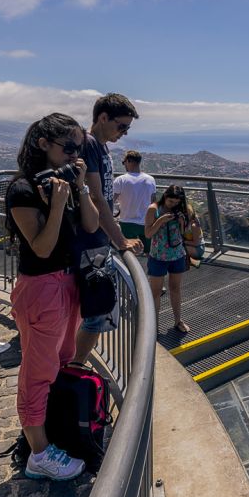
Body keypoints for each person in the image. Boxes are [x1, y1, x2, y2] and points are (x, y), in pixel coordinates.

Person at [4, 113, 99, 480]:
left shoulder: (66, 182)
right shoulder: (24, 189)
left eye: (80, 148)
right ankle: (38, 453)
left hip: (69, 283)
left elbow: (90, 226)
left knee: (61, 361)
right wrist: (57, 205)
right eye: (69, 147)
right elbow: (42, 248)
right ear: (44, 145)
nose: (75, 154)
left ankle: (50, 431)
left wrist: (80, 188)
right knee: (37, 373)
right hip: (41, 287)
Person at [74, 93, 143, 365]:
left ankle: (73, 363)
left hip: (97, 238)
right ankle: (75, 366)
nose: (124, 133)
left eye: (127, 128)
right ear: (103, 118)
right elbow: (96, 198)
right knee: (98, 312)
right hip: (92, 240)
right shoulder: (90, 144)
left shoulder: (100, 147)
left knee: (95, 310)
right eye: (121, 126)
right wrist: (120, 240)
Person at [144, 185, 201, 334]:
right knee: (155, 293)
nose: (172, 205)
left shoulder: (184, 209)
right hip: (158, 256)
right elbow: (148, 234)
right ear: (165, 197)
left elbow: (183, 233)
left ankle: (178, 321)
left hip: (177, 255)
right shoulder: (153, 209)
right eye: (170, 202)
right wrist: (160, 221)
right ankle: (153, 326)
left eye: (176, 203)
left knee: (175, 289)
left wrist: (183, 222)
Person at [113, 150, 156, 252]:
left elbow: (111, 200)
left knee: (128, 252)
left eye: (124, 163)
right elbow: (153, 202)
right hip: (146, 222)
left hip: (127, 222)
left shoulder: (120, 180)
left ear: (129, 161)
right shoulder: (150, 179)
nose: (124, 165)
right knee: (149, 252)